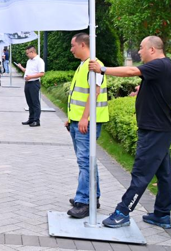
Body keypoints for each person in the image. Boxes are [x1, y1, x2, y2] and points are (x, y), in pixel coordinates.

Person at [90, 36, 171, 230]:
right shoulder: (163, 66)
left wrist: (102, 69)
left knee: (141, 173)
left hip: (155, 130)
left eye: (141, 48)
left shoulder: (160, 65)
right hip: (160, 128)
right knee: (164, 174)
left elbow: (130, 70)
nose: (139, 51)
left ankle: (123, 212)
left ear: (152, 50)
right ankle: (162, 215)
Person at [65, 33, 108, 219]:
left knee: (85, 162)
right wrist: (71, 118)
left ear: (83, 45)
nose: (71, 49)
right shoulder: (83, 65)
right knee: (87, 161)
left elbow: (94, 93)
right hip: (77, 121)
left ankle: (83, 201)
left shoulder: (93, 65)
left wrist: (84, 118)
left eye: (73, 45)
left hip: (86, 123)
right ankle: (93, 196)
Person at [15, 45, 45, 127]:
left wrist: (30, 77)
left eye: (27, 53)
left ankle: (36, 120)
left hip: (34, 83)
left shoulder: (39, 61)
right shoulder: (29, 61)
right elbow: (27, 71)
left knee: (35, 102)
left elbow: (42, 73)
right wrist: (21, 67)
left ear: (32, 52)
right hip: (27, 83)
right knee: (29, 102)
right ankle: (31, 119)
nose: (27, 55)